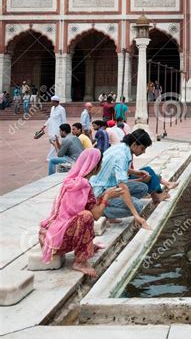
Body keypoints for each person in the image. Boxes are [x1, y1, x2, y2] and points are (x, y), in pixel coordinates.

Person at [39, 149, 123, 278]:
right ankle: (80, 262)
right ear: (95, 165)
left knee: (84, 216)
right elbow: (95, 215)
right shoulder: (82, 184)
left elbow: (90, 205)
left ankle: (87, 247)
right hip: (56, 241)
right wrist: (106, 197)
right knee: (86, 216)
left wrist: (105, 195)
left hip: (46, 235)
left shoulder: (72, 180)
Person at [89, 130, 153, 226]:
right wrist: (136, 215)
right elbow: (123, 188)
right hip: (100, 191)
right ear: (135, 145)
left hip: (109, 185)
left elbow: (118, 168)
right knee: (138, 207)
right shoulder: (122, 156)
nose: (143, 152)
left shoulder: (122, 147)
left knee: (142, 188)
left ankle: (115, 207)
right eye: (142, 148)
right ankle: (102, 211)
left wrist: (137, 172)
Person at [38, 95, 67, 161]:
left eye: (52, 102)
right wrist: (44, 125)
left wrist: (64, 130)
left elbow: (64, 120)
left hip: (58, 129)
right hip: (51, 128)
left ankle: (50, 157)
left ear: (56, 102)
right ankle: (58, 155)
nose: (51, 103)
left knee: (55, 142)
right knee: (52, 142)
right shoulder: (52, 108)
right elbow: (50, 118)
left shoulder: (62, 109)